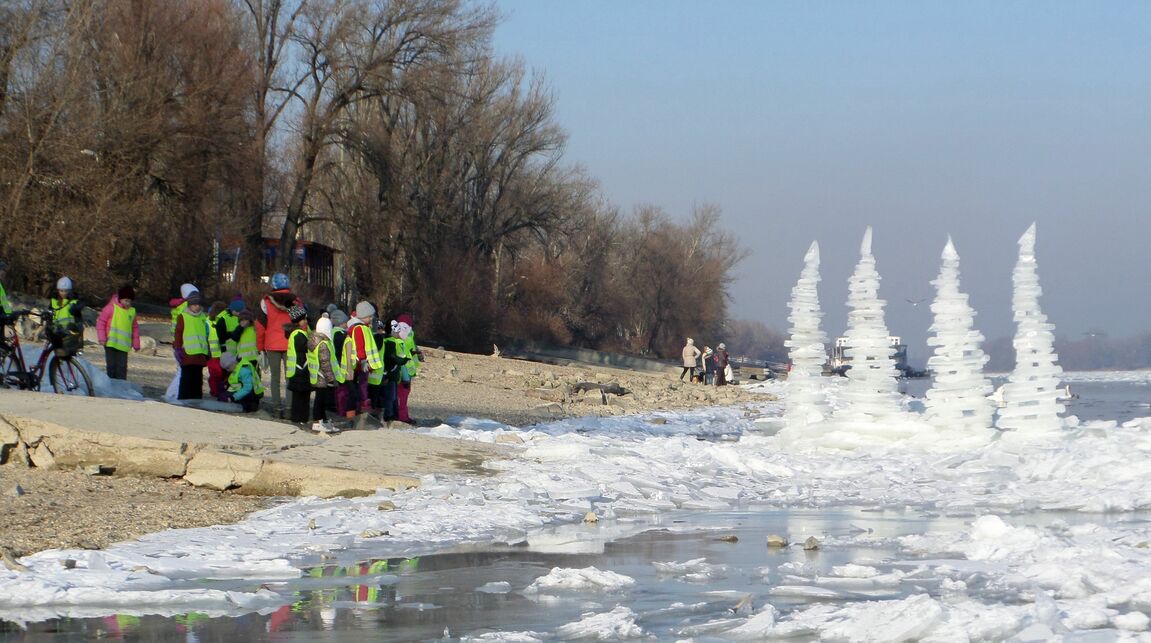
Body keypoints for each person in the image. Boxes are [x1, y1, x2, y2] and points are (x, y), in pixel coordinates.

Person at [257, 273, 302, 417]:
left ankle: (277, 409)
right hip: (290, 343)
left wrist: (260, 347)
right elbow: (302, 324)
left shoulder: (266, 302)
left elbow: (260, 326)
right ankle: (289, 409)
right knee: (290, 378)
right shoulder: (294, 302)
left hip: (271, 344)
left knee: (275, 378)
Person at [344, 301, 381, 427]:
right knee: (361, 389)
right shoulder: (360, 328)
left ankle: (353, 416)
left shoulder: (357, 327)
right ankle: (360, 414)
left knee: (356, 390)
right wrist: (363, 362)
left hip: (356, 364)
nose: (371, 319)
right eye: (369, 316)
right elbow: (360, 347)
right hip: (360, 364)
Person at [308, 313, 342, 433]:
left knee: (320, 399)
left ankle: (323, 420)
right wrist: (331, 378)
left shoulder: (316, 341)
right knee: (321, 400)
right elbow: (325, 363)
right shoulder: (323, 344)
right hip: (322, 377)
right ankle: (318, 421)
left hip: (317, 375)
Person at [96, 286, 140, 380]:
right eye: (126, 300)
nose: (128, 303)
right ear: (121, 299)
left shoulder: (132, 312)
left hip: (123, 345)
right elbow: (101, 322)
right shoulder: (110, 308)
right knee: (111, 366)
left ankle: (121, 387)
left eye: (130, 301)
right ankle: (111, 385)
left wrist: (136, 343)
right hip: (110, 343)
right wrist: (102, 338)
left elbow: (135, 327)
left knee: (122, 368)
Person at [172, 292, 210, 399]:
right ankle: (184, 397)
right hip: (187, 352)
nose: (197, 307)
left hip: (200, 353)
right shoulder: (183, 316)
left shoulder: (203, 317)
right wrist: (178, 348)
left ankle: (196, 398)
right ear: (189, 305)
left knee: (198, 378)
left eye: (198, 305)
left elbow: (205, 335)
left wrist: (208, 351)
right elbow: (178, 333)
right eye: (194, 305)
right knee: (187, 377)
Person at [166, 283, 198, 400]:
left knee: (180, 369)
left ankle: (174, 393)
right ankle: (172, 393)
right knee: (182, 371)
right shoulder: (186, 308)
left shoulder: (178, 308)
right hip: (184, 344)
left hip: (178, 343)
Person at [283, 305, 312, 424]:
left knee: (301, 397)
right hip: (300, 369)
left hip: (298, 370)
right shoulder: (298, 334)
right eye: (303, 319)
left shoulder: (298, 333)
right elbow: (307, 347)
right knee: (301, 398)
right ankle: (299, 419)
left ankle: (299, 418)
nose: (306, 322)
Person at [380, 320, 411, 426]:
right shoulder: (390, 342)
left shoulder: (388, 341)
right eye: (397, 332)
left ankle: (391, 414)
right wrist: (403, 360)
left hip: (391, 373)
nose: (399, 334)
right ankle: (388, 416)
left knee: (391, 397)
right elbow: (392, 358)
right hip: (390, 374)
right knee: (390, 397)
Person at [394, 313, 422, 424]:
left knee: (397, 394)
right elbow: (408, 353)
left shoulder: (398, 335)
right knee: (403, 394)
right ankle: (403, 416)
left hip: (401, 369)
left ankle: (398, 415)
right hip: (406, 370)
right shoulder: (408, 335)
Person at [205, 301, 228, 401]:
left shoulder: (225, 320)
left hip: (223, 354)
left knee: (223, 375)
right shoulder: (208, 323)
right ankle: (215, 392)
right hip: (213, 354)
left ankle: (220, 392)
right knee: (216, 375)